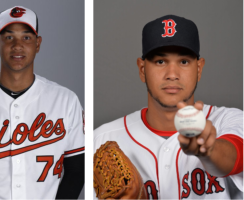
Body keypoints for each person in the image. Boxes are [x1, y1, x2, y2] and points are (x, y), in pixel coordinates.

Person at [94, 15, 243, 199]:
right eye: (160, 62)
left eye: (184, 62)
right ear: (142, 69)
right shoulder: (100, 139)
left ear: (199, 68)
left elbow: (236, 157)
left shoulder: (229, 120)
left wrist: (209, 151)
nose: (172, 74)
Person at [0, 6, 84, 199]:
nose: (17, 45)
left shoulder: (66, 100)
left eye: (26, 37)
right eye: (9, 37)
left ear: (38, 44)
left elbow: (77, 171)